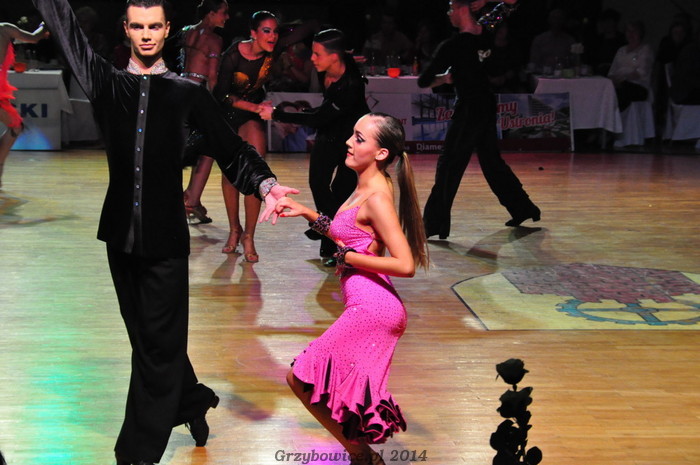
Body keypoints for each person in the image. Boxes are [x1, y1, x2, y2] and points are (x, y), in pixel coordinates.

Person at [30, 1, 297, 464]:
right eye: (138, 26)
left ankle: (136, 453)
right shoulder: (105, 81)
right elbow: (67, 31)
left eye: (155, 26)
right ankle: (191, 401)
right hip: (120, 237)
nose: (147, 34)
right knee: (149, 341)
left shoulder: (187, 92)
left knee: (157, 347)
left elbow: (231, 148)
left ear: (168, 29)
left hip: (166, 240)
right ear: (127, 29)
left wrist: (266, 186)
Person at [274, 112, 428, 465]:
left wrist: (350, 258)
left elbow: (405, 264)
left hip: (373, 309)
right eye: (352, 135)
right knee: (340, 394)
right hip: (368, 304)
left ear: (381, 153)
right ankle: (363, 456)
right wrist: (306, 213)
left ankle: (361, 456)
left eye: (359, 138)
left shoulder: (377, 197)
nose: (348, 142)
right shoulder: (367, 186)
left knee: (300, 378)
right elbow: (349, 234)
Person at [185, 11, 316, 261]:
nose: (273, 36)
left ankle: (249, 236)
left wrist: (305, 24)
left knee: (256, 169)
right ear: (253, 33)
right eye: (266, 31)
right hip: (227, 114)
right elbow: (222, 95)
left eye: (275, 31)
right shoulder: (233, 55)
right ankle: (235, 229)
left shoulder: (273, 49)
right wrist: (256, 107)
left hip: (251, 116)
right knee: (231, 173)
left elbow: (307, 27)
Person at [420, 0, 540, 239]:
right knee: (491, 162)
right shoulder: (485, 30)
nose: (449, 13)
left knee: (449, 164)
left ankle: (433, 224)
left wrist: (444, 79)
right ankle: (523, 208)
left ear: (462, 9)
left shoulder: (452, 44)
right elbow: (508, 6)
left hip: (469, 110)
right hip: (485, 106)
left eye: (451, 7)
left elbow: (424, 80)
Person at [266, 29, 370, 266]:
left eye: (317, 54)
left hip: (352, 141)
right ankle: (329, 233)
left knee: (341, 191)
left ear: (334, 57)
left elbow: (319, 117)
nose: (311, 58)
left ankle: (336, 243)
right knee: (318, 184)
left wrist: (276, 114)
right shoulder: (331, 69)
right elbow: (323, 115)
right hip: (328, 135)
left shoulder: (351, 84)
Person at [172, 0, 229, 225]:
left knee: (183, 149)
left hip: (178, 90)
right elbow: (212, 76)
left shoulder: (186, 31)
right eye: (223, 13)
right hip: (197, 93)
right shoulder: (214, 39)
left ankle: (186, 198)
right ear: (211, 13)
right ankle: (192, 200)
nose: (227, 17)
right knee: (208, 147)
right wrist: (217, 106)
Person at [0, 20, 48, 189]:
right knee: (15, 126)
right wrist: (45, 24)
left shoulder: (5, 30)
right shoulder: (5, 29)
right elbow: (34, 38)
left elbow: (32, 38)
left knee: (15, 125)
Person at [608, 20, 653, 112]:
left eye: (634, 31)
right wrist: (614, 80)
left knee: (622, 91)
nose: (631, 34)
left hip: (638, 86)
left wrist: (622, 79)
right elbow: (612, 71)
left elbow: (640, 73)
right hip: (619, 84)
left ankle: (616, 114)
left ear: (640, 33)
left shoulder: (645, 49)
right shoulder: (621, 50)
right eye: (628, 31)